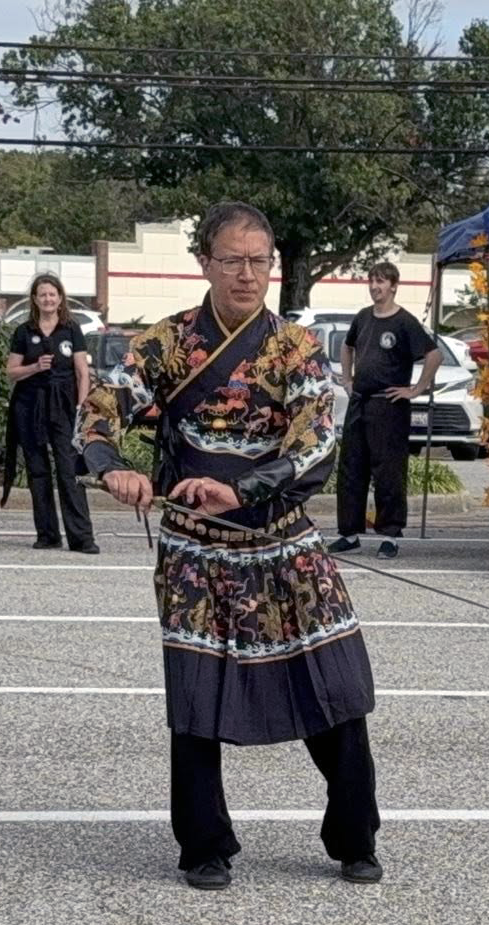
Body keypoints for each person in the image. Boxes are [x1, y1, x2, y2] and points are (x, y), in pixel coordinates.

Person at [76, 202, 381, 890]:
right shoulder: (167, 342)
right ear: (205, 263)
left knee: (335, 688)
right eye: (234, 260)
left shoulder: (294, 346)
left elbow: (316, 437)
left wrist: (243, 491)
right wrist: (111, 465)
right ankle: (204, 845)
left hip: (280, 544)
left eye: (260, 260)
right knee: (196, 697)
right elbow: (101, 407)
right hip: (193, 551)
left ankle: (353, 835)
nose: (248, 274)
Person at [330, 262, 442, 559]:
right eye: (372, 281)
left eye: (381, 282)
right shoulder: (364, 317)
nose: (375, 287)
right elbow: (347, 345)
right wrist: (348, 378)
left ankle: (390, 535)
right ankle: (349, 533)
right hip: (360, 401)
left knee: (388, 471)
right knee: (352, 469)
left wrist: (416, 389)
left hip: (389, 404)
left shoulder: (404, 322)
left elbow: (434, 354)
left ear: (394, 285)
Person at [1, 274, 99, 554]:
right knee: (38, 470)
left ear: (60, 298)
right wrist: (34, 367)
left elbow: (82, 373)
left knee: (69, 470)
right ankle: (47, 534)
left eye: (52, 294)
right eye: (42, 295)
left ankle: (81, 537)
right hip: (30, 404)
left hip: (63, 404)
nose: (47, 299)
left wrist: (81, 407)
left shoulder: (71, 329)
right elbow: (11, 371)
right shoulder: (23, 331)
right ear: (35, 299)